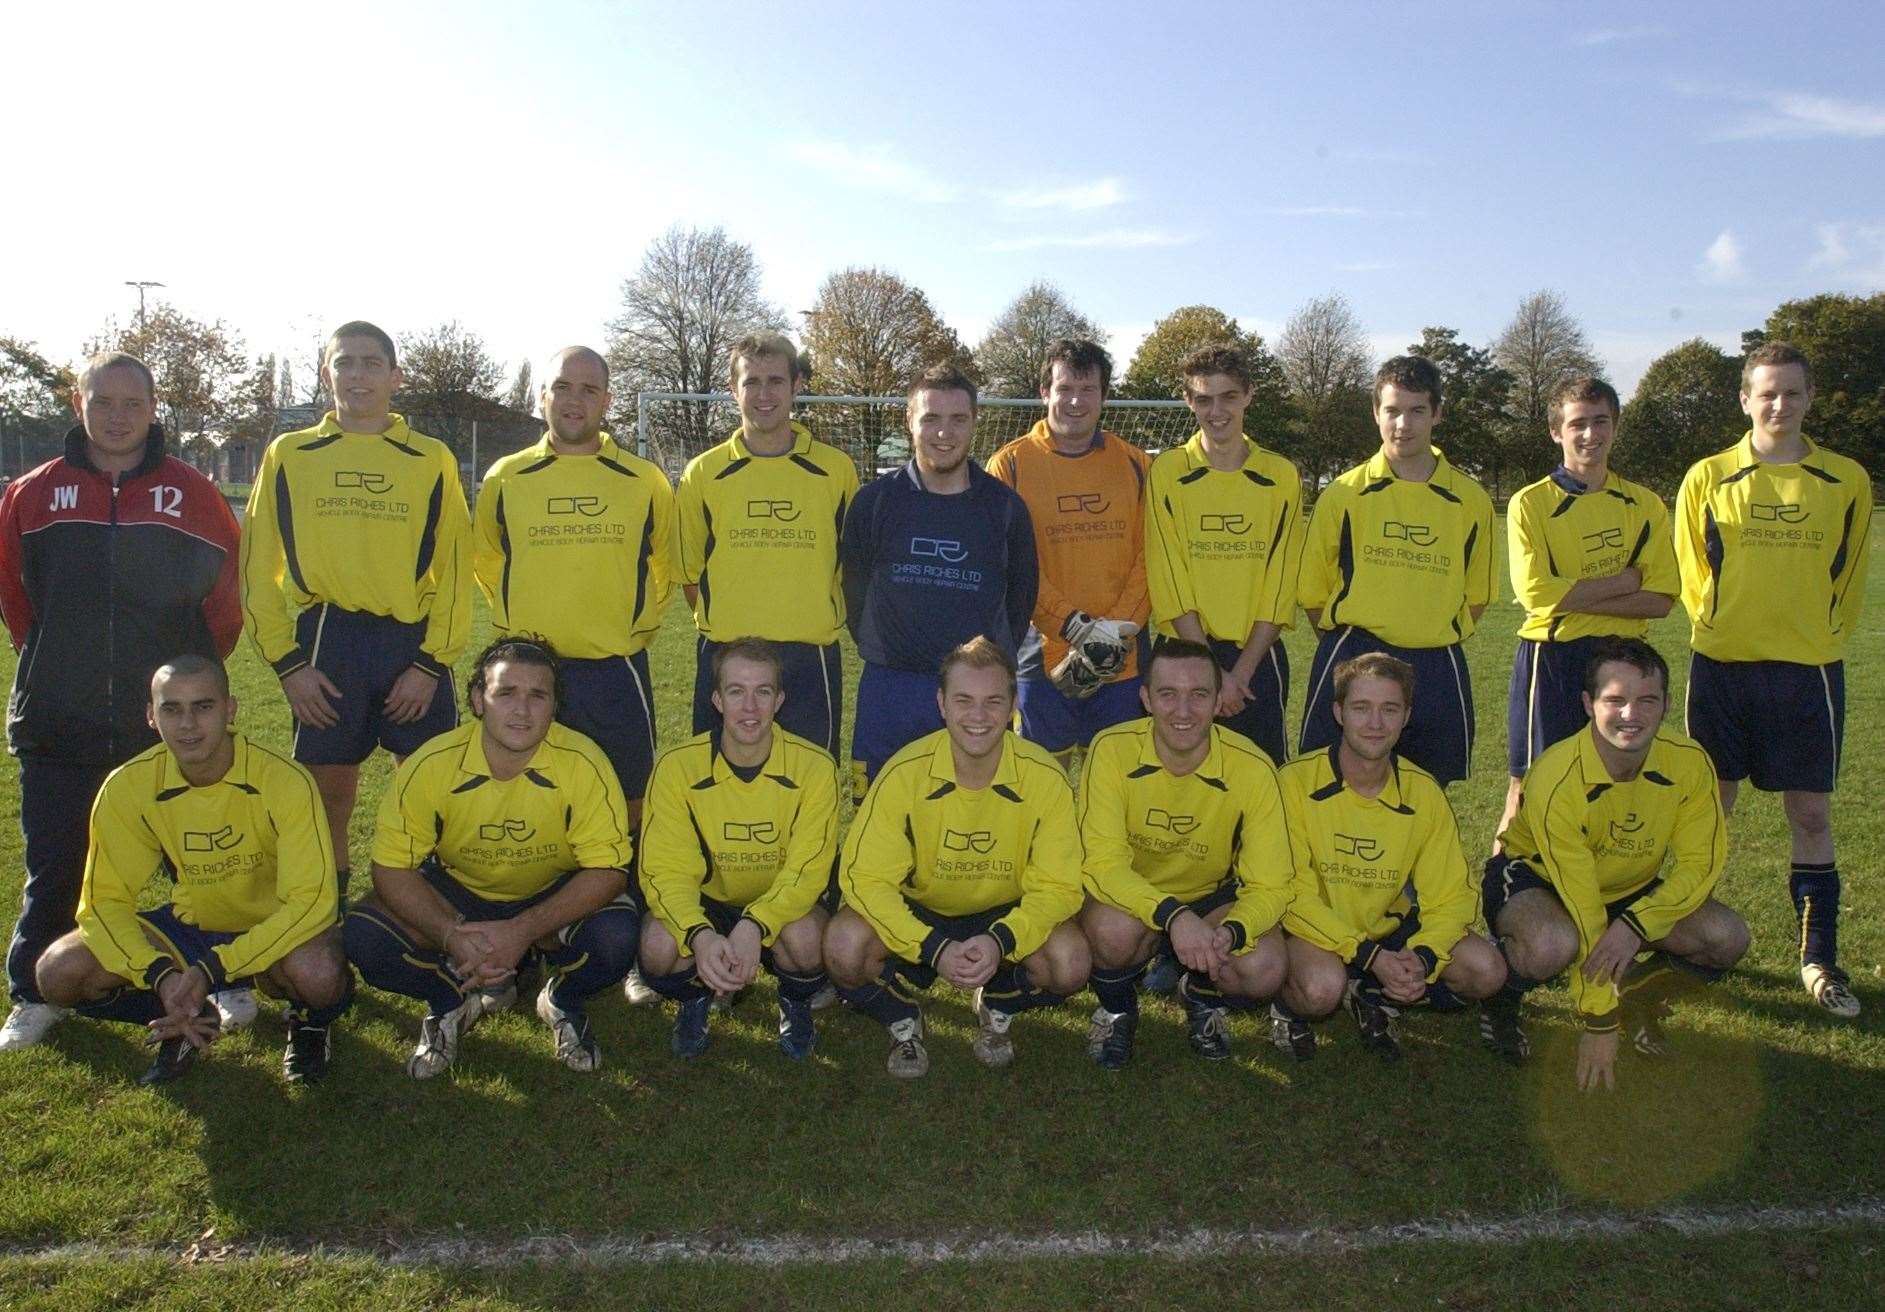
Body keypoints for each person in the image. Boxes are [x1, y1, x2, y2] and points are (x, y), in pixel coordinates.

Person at [0, 352, 241, 1051]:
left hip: (167, 727)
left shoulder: (193, 495)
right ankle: (33, 992)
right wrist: (58, 665)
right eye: (102, 401)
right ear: (79, 403)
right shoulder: (32, 494)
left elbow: (224, 609)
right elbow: (17, 602)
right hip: (58, 718)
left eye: (130, 403)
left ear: (153, 406)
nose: (116, 415)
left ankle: (226, 977)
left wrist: (183, 693)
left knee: (203, 862)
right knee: (56, 864)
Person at [241, 321, 471, 912]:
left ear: (395, 377)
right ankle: (328, 913)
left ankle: (429, 912)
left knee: (429, 790)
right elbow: (254, 567)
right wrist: (289, 665)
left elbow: (454, 568)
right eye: (345, 363)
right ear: (327, 374)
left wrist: (429, 662)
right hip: (328, 638)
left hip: (410, 643)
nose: (359, 375)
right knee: (328, 794)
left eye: (372, 364)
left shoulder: (430, 459)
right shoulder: (290, 455)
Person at [32, 657, 347, 1084]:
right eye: (171, 709)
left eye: (203, 706)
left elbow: (312, 900)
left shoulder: (284, 780)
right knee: (58, 973)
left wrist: (214, 969)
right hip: (192, 928)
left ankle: (308, 1024)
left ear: (231, 709)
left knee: (320, 974)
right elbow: (104, 902)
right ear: (150, 715)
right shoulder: (129, 787)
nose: (188, 725)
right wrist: (161, 975)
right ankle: (184, 1009)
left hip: (272, 928)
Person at [1674, 342, 1871, 1018]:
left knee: (1809, 813)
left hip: (1806, 668)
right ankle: (1681, 934)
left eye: (1790, 393)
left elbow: (1848, 576)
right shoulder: (1707, 476)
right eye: (1766, 393)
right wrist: (1721, 624)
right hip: (1722, 667)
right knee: (1710, 810)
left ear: (1809, 398)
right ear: (1744, 400)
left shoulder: (1844, 479)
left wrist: (1813, 631)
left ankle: (1818, 958)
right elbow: (1690, 570)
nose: (1778, 405)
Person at [342, 639, 637, 1077]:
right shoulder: (432, 764)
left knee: (616, 937)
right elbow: (389, 867)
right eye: (506, 692)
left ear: (555, 706)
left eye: (538, 695)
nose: (522, 710)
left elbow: (610, 870)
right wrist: (449, 934)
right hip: (461, 893)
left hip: (546, 892)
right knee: (365, 936)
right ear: (479, 700)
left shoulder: (584, 763)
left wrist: (522, 930)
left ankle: (561, 1000)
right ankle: (449, 1000)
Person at [1482, 639, 1748, 1091]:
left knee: (1727, 938)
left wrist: (1635, 923)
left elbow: (1700, 864)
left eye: (1647, 700)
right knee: (1552, 943)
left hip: (1628, 887)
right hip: (1541, 881)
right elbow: (1584, 907)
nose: (1632, 715)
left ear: (1665, 703)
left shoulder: (1689, 764)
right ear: (1588, 704)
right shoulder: (1556, 777)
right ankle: (1500, 1000)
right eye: (1616, 700)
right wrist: (1599, 1022)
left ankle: (1639, 996)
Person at [825, 637, 1088, 1077]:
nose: (979, 716)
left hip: (1005, 912)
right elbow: (865, 879)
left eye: (993, 701)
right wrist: (932, 947)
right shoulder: (903, 772)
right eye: (964, 700)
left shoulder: (1045, 777)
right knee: (843, 946)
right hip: (925, 911)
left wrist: (1001, 940)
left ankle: (999, 998)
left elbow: (1060, 886)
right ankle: (901, 1016)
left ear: (1012, 707)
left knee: (1071, 962)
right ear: (941, 704)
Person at [1270, 653, 1506, 1062]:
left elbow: (1451, 896)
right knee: (1320, 989)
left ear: (1406, 716)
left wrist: (1425, 956)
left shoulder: (1423, 792)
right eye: (1361, 708)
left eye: (1389, 709)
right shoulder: (1293, 783)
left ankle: (1373, 995)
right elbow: (1290, 894)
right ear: (1338, 712)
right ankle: (1288, 1008)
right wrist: (1367, 956)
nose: (1375, 723)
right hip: (1314, 932)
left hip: (1385, 931)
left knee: (1486, 970)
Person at [473, 344, 676, 816]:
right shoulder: (506, 477)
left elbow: (666, 563)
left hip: (614, 666)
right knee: (527, 792)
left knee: (629, 794)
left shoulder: (644, 480)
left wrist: (637, 624)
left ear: (607, 401)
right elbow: (486, 560)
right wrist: (516, 620)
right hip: (529, 668)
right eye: (562, 387)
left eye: (589, 389)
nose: (574, 399)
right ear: (541, 396)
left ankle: (627, 886)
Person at [1077, 640, 1292, 1069]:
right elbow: (1102, 864)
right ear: (1146, 699)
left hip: (1211, 897)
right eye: (1168, 694)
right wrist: (1173, 917)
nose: (1183, 711)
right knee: (1111, 932)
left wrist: (1231, 932)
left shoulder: (1252, 767)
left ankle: (1199, 994)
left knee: (1264, 967)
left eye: (1198, 695)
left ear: (1218, 702)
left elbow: (1273, 884)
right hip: (1133, 894)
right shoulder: (1111, 749)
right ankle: (1118, 1009)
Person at [840, 363, 1037, 798]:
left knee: (971, 816)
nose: (943, 433)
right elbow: (852, 587)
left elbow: (1021, 596)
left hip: (975, 693)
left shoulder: (1004, 508)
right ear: (909, 420)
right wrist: (885, 644)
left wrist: (986, 666)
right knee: (879, 810)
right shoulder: (874, 502)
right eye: (930, 418)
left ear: (974, 423)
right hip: (891, 686)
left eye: (957, 419)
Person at [1296, 356, 1494, 786]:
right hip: (1354, 653)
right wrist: (1356, 647)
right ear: (1376, 412)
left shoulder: (1470, 500)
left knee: (1426, 789)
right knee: (1330, 783)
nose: (1403, 424)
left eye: (1417, 410)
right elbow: (1312, 591)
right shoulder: (1344, 493)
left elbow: (1476, 596)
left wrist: (1423, 630)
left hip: (1436, 662)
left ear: (1437, 413)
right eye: (1392, 411)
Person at [638, 639, 840, 1060]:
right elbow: (664, 869)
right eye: (736, 692)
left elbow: (808, 870)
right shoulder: (677, 768)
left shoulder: (815, 767)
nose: (750, 707)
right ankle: (697, 999)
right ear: (716, 700)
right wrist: (699, 934)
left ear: (779, 700)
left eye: (762, 692)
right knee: (658, 948)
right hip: (709, 903)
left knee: (808, 941)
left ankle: (795, 1002)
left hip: (782, 907)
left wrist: (755, 925)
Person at [1498, 376, 1676, 841]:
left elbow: (1661, 599)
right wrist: (1625, 580)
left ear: (1616, 427)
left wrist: (1572, 594)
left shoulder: (1644, 505)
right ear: (1557, 431)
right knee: (1529, 786)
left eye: (1601, 422)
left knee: (1613, 784)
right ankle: (1504, 897)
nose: (1590, 435)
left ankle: (1597, 893)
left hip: (1624, 661)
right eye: (1578, 423)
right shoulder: (1530, 504)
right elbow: (1537, 595)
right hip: (1552, 659)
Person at [676, 331, 858, 758]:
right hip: (727, 654)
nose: (763, 393)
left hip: (809, 658)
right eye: (751, 382)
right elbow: (689, 573)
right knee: (717, 781)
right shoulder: (703, 473)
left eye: (775, 381)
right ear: (732, 390)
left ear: (796, 385)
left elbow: (851, 564)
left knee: (809, 784)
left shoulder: (836, 470)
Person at [987, 339, 1150, 766]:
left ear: (1104, 396)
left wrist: (1115, 632)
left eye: (1088, 389)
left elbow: (1151, 558)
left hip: (1123, 659)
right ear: (1045, 392)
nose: (1076, 401)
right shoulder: (1010, 464)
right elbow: (1010, 564)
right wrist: (1074, 626)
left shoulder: (1136, 464)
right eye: (1064, 388)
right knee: (1044, 783)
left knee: (1113, 785)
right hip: (1042, 656)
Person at [1145, 342, 1305, 765]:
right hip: (1185, 652)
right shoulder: (1168, 472)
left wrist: (1240, 673)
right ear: (1188, 401)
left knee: (1258, 785)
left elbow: (1280, 580)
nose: (1217, 411)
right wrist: (1211, 673)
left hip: (1257, 659)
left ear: (1249, 394)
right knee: (1182, 784)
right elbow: (1169, 574)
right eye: (1204, 399)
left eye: (1229, 397)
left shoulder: (1280, 475)